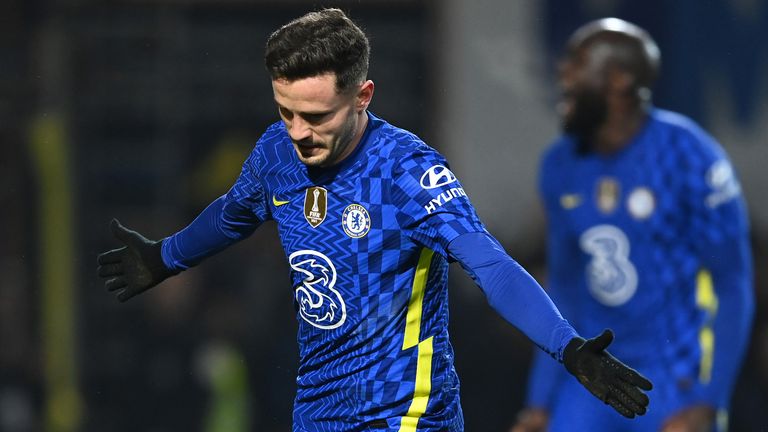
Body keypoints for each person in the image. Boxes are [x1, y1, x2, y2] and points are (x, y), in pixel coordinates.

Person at [97, 9, 651, 432]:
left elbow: (492, 265)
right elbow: (235, 213)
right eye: (284, 111)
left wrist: (568, 346)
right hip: (318, 412)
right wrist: (165, 256)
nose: (297, 132)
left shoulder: (407, 173)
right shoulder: (276, 154)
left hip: (405, 414)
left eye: (315, 116)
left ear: (363, 96)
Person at [511, 18, 754, 432]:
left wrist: (708, 402)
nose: (562, 72)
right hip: (593, 371)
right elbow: (564, 291)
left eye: (578, 61)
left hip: (674, 375)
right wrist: (538, 402)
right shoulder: (560, 165)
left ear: (620, 79)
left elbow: (732, 286)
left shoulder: (690, 156)